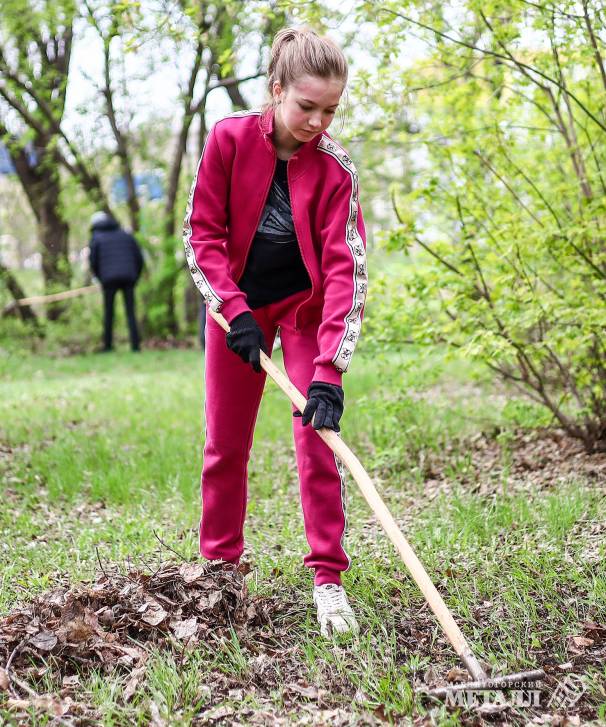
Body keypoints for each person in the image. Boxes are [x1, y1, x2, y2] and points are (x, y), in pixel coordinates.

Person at [183, 27, 367, 637]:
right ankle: (219, 573)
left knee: (320, 441)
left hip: (306, 312)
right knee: (225, 445)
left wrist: (329, 372)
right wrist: (232, 310)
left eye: (330, 110)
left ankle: (328, 582)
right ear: (277, 89)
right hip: (239, 312)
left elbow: (346, 270)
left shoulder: (337, 169)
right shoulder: (229, 138)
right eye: (306, 106)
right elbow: (201, 234)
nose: (317, 121)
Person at [89, 211, 143, 352]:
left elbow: (93, 261)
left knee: (108, 313)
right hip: (128, 278)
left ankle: (108, 346)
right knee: (131, 312)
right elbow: (139, 258)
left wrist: (100, 278)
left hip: (108, 279)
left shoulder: (96, 237)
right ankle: (135, 346)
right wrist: (135, 277)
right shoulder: (126, 235)